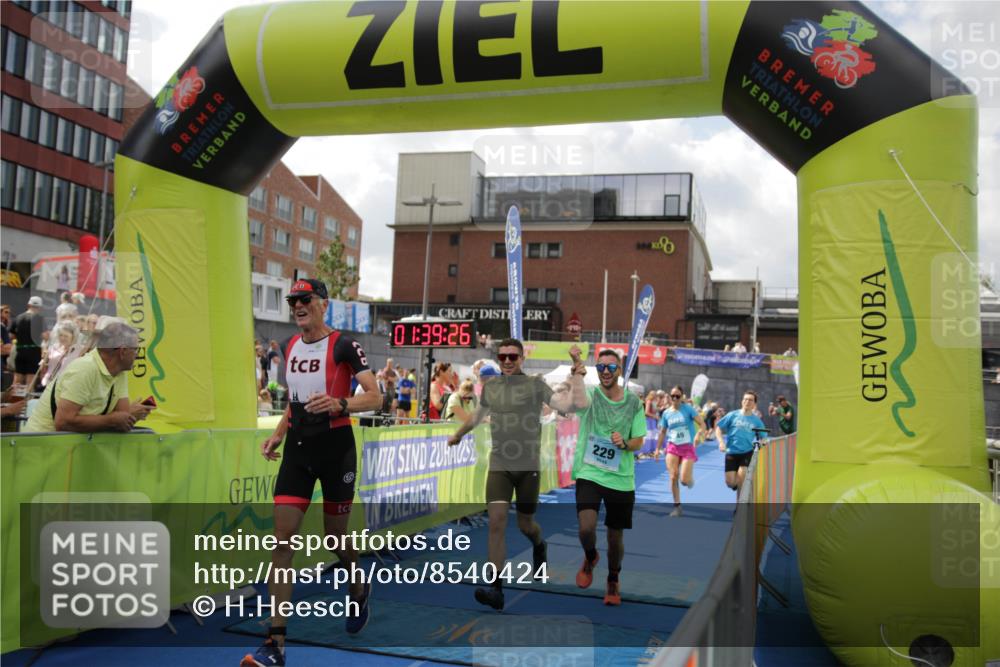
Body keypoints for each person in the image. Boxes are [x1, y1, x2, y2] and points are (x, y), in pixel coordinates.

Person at [242, 279, 380, 667]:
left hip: (337, 451)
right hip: (299, 451)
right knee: (282, 541)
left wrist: (341, 402)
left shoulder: (343, 345)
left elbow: (375, 396)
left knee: (335, 537)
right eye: (292, 301)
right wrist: (277, 434)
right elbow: (295, 404)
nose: (297, 306)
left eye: (305, 300)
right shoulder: (288, 346)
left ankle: (357, 581)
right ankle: (275, 643)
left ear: (322, 305)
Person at [446, 338, 578, 611]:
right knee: (496, 521)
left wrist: (576, 373)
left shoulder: (536, 385)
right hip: (500, 465)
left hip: (528, 466)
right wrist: (458, 434)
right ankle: (496, 588)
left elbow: (565, 407)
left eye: (512, 357)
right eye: (503, 356)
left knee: (526, 525)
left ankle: (539, 545)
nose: (507, 361)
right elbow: (477, 416)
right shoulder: (492, 387)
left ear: (522, 359)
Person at [570, 347, 645, 605]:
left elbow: (639, 441)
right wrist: (576, 367)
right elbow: (577, 403)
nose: (605, 372)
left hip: (621, 478)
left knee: (615, 537)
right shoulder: (590, 395)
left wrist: (624, 443)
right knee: (586, 527)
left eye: (611, 368)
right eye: (601, 367)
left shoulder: (634, 402)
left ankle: (613, 578)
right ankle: (590, 556)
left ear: (619, 371)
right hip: (590, 471)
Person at [23, 321, 155, 433]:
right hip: (40, 448)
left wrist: (130, 415)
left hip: (67, 449)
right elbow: (63, 423)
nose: (137, 355)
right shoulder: (85, 369)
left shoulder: (119, 372)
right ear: (123, 351)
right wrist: (113, 419)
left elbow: (121, 418)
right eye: (135, 349)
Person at [655, 386, 706, 517]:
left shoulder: (688, 409)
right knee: (673, 476)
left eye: (678, 396)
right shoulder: (666, 413)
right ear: (670, 397)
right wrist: (657, 449)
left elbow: (702, 424)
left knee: (684, 480)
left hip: (687, 447)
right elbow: (662, 432)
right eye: (673, 396)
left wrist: (699, 434)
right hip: (672, 446)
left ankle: (688, 479)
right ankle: (677, 507)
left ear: (682, 396)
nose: (675, 398)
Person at [715, 390, 767, 495]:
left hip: (746, 452)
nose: (747, 402)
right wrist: (721, 442)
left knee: (741, 481)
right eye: (745, 399)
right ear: (742, 401)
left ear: (754, 404)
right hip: (731, 452)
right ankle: (736, 487)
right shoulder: (732, 415)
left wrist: (760, 444)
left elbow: (763, 438)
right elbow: (718, 428)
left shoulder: (757, 421)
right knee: (730, 482)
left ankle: (740, 508)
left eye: (750, 400)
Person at [12, 297, 45, 387]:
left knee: (17, 379)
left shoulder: (18, 317)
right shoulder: (39, 318)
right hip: (34, 352)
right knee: (30, 381)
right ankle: (26, 400)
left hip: (20, 351)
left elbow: (12, 335)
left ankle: (13, 400)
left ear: (28, 305)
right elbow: (45, 335)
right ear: (40, 307)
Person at [38, 321, 79, 390]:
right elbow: (43, 368)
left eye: (66, 336)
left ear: (73, 336)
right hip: (49, 383)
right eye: (61, 335)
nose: (62, 338)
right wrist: (44, 360)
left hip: (67, 386)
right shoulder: (53, 347)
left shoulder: (78, 350)